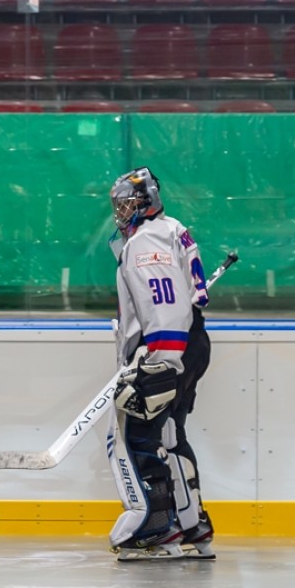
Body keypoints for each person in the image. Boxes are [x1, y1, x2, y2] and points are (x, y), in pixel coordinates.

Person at [107, 168, 214, 560]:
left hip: (169, 347)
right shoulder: (171, 228)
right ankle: (192, 525)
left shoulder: (146, 241)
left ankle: (155, 527)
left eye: (129, 203)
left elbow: (164, 303)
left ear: (147, 201)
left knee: (139, 436)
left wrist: (162, 364)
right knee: (170, 433)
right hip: (193, 342)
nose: (122, 211)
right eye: (119, 204)